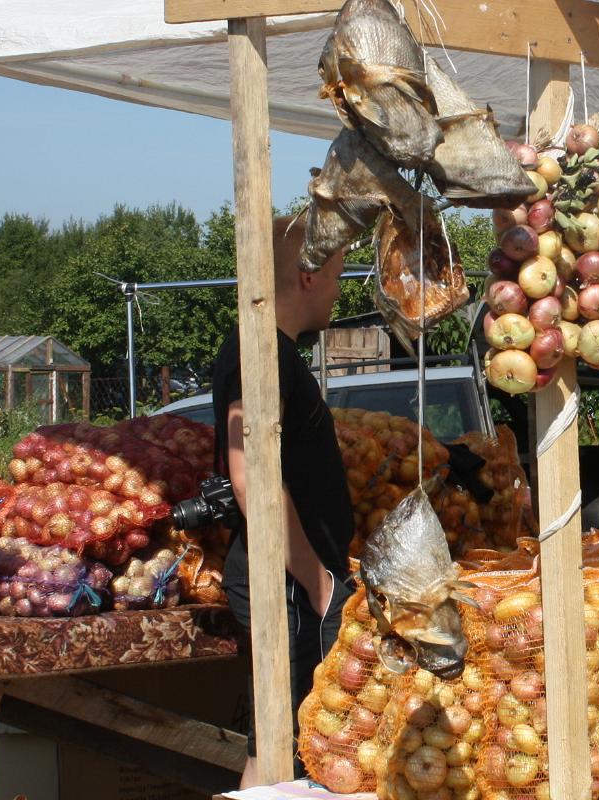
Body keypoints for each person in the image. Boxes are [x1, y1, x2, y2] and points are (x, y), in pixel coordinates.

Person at [213, 215, 354, 787]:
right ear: (306, 276)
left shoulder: (274, 351)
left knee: (284, 748)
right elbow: (253, 480)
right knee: (281, 751)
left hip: (294, 581)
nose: (342, 291)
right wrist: (318, 584)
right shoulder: (263, 354)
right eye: (338, 276)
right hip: (288, 586)